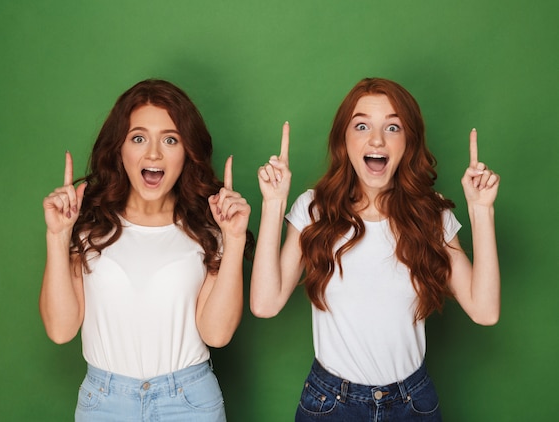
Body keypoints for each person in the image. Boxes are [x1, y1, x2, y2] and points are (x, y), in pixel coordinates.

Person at [251, 77, 500, 421]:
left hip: (413, 404)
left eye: (393, 127)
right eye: (362, 125)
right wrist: (274, 203)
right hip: (330, 404)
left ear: (408, 141)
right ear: (344, 139)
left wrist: (482, 210)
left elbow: (485, 311)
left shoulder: (431, 214)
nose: (377, 139)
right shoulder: (314, 209)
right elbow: (265, 304)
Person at [40, 79, 253, 422]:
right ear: (119, 150)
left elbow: (217, 333)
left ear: (187, 153)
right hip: (104, 402)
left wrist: (235, 238)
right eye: (138, 138)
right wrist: (57, 235)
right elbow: (60, 330)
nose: (153, 153)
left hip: (189, 401)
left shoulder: (208, 230)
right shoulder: (87, 226)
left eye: (170, 140)